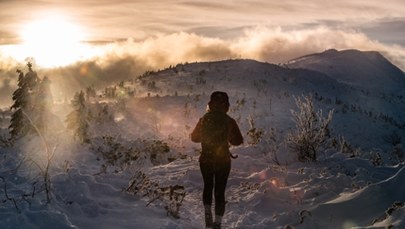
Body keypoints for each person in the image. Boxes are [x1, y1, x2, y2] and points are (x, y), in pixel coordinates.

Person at [191, 91, 243, 229]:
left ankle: (208, 218)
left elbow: (194, 138)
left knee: (208, 187)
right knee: (220, 191)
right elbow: (238, 141)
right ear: (226, 105)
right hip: (223, 161)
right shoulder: (229, 121)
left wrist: (207, 136)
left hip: (205, 160)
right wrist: (227, 137)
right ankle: (218, 224)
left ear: (210, 104)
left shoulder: (203, 119)